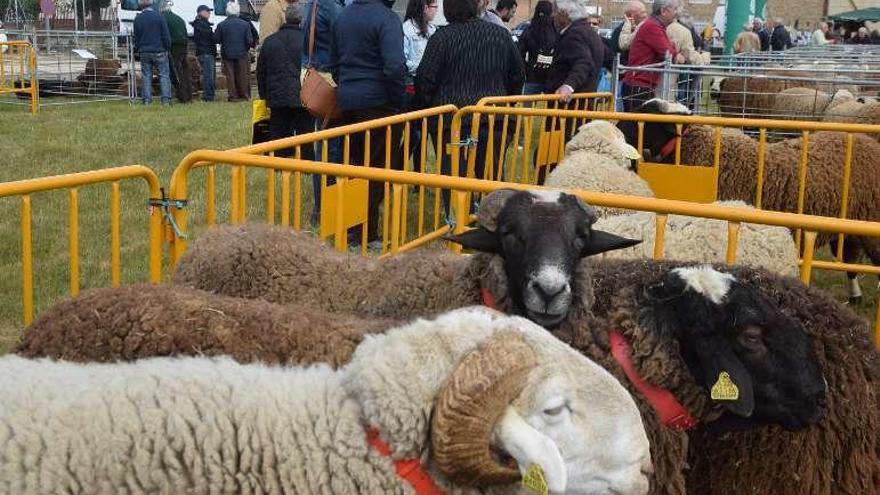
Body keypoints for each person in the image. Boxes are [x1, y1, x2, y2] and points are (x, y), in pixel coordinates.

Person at [416, 0, 523, 205]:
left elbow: (425, 79)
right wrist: (504, 101)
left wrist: (428, 106)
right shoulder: (500, 34)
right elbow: (517, 75)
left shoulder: (441, 38)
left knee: (454, 177)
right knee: (491, 176)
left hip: (452, 120)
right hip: (493, 118)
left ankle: (458, 222)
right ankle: (492, 221)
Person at [331, 0, 406, 249]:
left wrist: (348, 88)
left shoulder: (343, 17)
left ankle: (350, 228)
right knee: (377, 169)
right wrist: (398, 101)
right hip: (379, 104)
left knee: (352, 167)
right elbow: (395, 65)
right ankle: (365, 233)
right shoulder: (387, 18)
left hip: (347, 101)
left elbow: (334, 64)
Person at [302, 0, 345, 224]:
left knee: (325, 146)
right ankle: (326, 207)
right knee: (332, 150)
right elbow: (346, 36)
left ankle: (321, 207)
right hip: (331, 80)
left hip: (318, 78)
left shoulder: (313, 4)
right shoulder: (331, 6)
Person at [257, 5, 316, 163]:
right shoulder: (308, 42)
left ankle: (279, 163)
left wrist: (264, 95)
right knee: (306, 133)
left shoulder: (269, 42)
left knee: (279, 131)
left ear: (285, 18)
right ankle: (308, 162)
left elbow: (261, 71)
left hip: (277, 95)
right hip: (303, 94)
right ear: (302, 20)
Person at [621, 0, 683, 112]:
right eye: (675, 9)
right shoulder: (652, 27)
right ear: (663, 11)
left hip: (640, 85)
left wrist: (673, 51)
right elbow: (669, 54)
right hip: (638, 86)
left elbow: (668, 50)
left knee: (641, 126)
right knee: (638, 126)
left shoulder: (655, 26)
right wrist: (676, 53)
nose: (677, 13)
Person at [402, 0, 438, 170]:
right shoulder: (407, 29)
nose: (436, 11)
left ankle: (419, 175)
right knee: (412, 135)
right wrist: (424, 67)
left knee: (423, 135)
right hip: (411, 88)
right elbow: (404, 61)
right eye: (434, 7)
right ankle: (399, 170)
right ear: (424, 8)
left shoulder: (433, 30)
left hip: (428, 88)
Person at [546, 0, 606, 101]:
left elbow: (584, 62)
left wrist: (568, 86)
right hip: (584, 101)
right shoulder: (589, 31)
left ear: (564, 13)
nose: (552, 15)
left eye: (555, 11)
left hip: (568, 105)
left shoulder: (574, 34)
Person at [133, 0, 172, 105]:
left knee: (146, 75)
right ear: (151, 4)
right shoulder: (159, 17)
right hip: (159, 50)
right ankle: (166, 100)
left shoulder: (137, 19)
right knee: (163, 75)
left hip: (144, 51)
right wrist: (168, 47)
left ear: (140, 6)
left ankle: (146, 100)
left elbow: (136, 38)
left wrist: (137, 49)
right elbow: (165, 35)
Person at [215, 1, 253, 101]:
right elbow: (249, 40)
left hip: (227, 53)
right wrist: (246, 49)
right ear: (238, 11)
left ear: (227, 12)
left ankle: (233, 95)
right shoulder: (245, 24)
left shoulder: (221, 25)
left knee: (230, 75)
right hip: (242, 53)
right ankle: (244, 94)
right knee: (242, 74)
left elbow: (217, 39)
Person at [518, 0, 557, 96]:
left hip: (533, 76)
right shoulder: (556, 30)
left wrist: (526, 69)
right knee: (552, 108)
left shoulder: (530, 30)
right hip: (551, 76)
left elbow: (519, 53)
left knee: (528, 108)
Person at [161, 1, 192, 103]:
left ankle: (182, 96)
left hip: (173, 47)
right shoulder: (179, 18)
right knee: (185, 71)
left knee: (176, 72)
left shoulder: (163, 18)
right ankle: (189, 94)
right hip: (183, 46)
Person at [191, 5, 216, 101]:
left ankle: (209, 95)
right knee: (209, 76)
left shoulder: (200, 23)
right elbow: (210, 37)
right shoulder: (202, 24)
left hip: (205, 52)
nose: (209, 13)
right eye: (207, 11)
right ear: (201, 12)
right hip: (206, 52)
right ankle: (208, 96)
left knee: (209, 75)